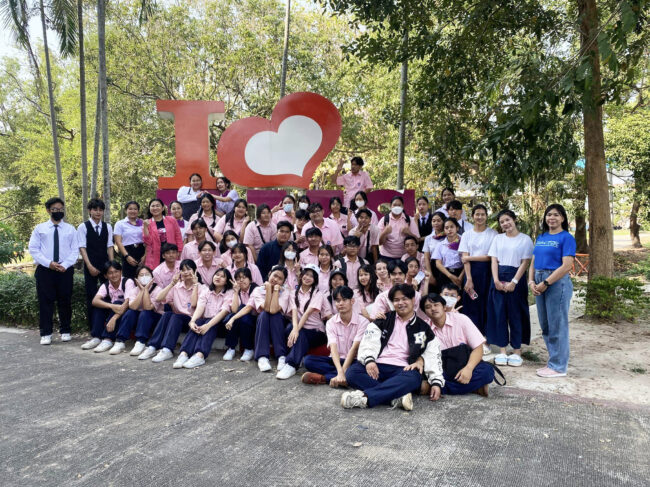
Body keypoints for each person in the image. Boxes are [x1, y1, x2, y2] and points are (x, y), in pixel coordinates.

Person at [342, 284, 444, 410]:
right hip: (378, 365)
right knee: (352, 373)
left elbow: (433, 354)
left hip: (403, 369)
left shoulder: (423, 328)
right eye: (396, 300)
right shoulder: (383, 320)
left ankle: (365, 398)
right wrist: (369, 360)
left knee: (414, 378)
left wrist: (436, 382)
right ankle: (396, 396)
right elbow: (368, 341)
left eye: (404, 299)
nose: (400, 303)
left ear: (413, 300)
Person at [529, 204, 576, 378]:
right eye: (549, 215)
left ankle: (559, 366)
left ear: (562, 218)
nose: (552, 218)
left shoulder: (566, 238)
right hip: (539, 279)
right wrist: (531, 281)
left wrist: (546, 282)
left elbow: (567, 265)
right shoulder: (541, 237)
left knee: (557, 325)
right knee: (546, 325)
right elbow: (533, 262)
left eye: (556, 215)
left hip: (556, 282)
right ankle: (553, 361)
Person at [421, 294, 495, 396]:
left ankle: (434, 388)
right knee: (422, 375)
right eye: (428, 307)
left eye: (436, 305)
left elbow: (478, 348)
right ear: (425, 312)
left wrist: (469, 369)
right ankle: (474, 388)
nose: (433, 309)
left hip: (464, 364)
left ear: (444, 307)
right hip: (442, 369)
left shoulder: (461, 319)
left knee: (487, 372)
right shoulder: (423, 328)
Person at [487, 210, 534, 368]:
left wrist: (514, 282)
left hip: (516, 279)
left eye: (507, 220)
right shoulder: (498, 239)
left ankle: (517, 351)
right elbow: (494, 260)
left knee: (516, 314)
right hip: (498, 278)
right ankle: (502, 350)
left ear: (514, 220)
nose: (505, 224)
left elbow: (525, 262)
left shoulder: (525, 239)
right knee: (499, 314)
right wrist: (495, 280)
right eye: (502, 222)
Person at [28, 197, 79, 345]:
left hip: (65, 270)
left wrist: (66, 264)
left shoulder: (70, 229)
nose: (58, 212)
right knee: (45, 301)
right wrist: (48, 263)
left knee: (65, 300)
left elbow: (75, 250)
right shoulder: (40, 229)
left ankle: (65, 331)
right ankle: (46, 333)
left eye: (61, 209)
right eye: (55, 209)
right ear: (48, 210)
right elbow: (34, 249)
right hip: (45, 270)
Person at [302, 286, 369, 386]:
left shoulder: (363, 322)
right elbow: (333, 348)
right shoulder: (331, 323)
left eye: (344, 300)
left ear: (352, 301)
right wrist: (340, 371)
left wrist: (342, 371)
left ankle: (324, 378)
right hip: (336, 360)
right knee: (308, 361)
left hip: (354, 361)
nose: (340, 303)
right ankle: (343, 377)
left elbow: (354, 349)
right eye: (337, 301)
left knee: (359, 369)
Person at [138, 259, 202, 362]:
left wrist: (195, 285)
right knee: (167, 314)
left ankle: (167, 349)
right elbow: (159, 298)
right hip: (177, 320)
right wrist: (172, 283)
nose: (186, 272)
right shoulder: (177, 287)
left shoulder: (202, 288)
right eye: (183, 270)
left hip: (192, 321)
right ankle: (152, 347)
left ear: (195, 270)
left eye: (188, 269)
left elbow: (194, 304)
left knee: (176, 316)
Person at [173, 268, 235, 368]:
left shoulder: (229, 292)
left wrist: (208, 325)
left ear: (226, 281)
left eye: (222, 276)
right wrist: (192, 321)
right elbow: (200, 307)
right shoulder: (206, 290)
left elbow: (224, 312)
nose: (218, 277)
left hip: (220, 325)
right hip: (205, 321)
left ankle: (200, 355)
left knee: (209, 323)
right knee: (198, 322)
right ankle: (184, 354)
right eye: (217, 275)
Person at [277, 265, 328, 379]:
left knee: (300, 334)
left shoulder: (318, 294)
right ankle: (294, 356)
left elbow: (307, 313)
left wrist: (297, 330)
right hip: (301, 327)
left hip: (316, 332)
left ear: (315, 280)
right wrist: (295, 329)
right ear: (301, 275)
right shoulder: (293, 292)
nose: (307, 278)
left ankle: (291, 365)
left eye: (311, 276)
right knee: (289, 329)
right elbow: (294, 311)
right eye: (306, 274)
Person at [459, 204, 497, 351]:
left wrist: (470, 258)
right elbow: (464, 258)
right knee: (470, 306)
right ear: (472, 216)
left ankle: (485, 341)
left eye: (482, 214)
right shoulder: (467, 235)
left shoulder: (492, 234)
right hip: (471, 273)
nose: (480, 217)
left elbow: (490, 257)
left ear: (486, 216)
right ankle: (471, 340)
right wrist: (468, 278)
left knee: (486, 306)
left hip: (487, 272)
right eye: (477, 214)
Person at [241, 266, 292, 372]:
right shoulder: (258, 290)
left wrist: (275, 290)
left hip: (279, 323)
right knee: (264, 314)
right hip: (262, 323)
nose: (276, 279)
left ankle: (281, 356)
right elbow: (265, 308)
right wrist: (268, 289)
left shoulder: (286, 292)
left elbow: (273, 310)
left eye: (280, 278)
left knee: (275, 315)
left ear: (283, 282)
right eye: (275, 276)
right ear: (269, 274)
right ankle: (262, 357)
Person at [109, 266, 163, 355]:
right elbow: (133, 307)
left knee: (145, 312)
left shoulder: (158, 289)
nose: (144, 277)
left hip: (154, 320)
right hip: (139, 321)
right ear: (137, 278)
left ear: (152, 277)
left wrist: (146, 289)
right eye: (141, 275)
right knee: (130, 312)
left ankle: (140, 342)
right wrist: (142, 290)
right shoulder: (134, 290)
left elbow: (148, 307)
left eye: (147, 274)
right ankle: (120, 341)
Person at [77, 198, 114, 330]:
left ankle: (108, 324)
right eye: (95, 209)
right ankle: (93, 327)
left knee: (109, 293)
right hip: (90, 265)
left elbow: (110, 246)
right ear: (89, 211)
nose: (98, 212)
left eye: (100, 210)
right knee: (91, 295)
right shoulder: (83, 227)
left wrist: (111, 265)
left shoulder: (107, 226)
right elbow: (82, 248)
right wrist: (89, 266)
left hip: (105, 265)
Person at [80, 261, 133, 352]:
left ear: (121, 272)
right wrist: (111, 306)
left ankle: (108, 339)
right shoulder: (106, 285)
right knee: (100, 306)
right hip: (115, 310)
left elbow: (127, 303)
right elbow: (94, 301)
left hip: (128, 312)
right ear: (105, 276)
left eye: (116, 271)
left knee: (117, 303)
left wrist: (114, 318)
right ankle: (97, 338)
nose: (114, 275)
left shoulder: (128, 282)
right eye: (110, 273)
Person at [222, 268, 259, 362]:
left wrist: (233, 318)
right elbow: (234, 310)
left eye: (244, 277)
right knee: (230, 318)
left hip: (255, 318)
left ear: (250, 279)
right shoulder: (237, 291)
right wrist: (235, 292)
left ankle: (248, 348)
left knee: (243, 316)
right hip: (241, 318)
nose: (241, 280)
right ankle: (231, 348)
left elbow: (249, 308)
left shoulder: (255, 289)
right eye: (238, 279)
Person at [142, 198, 183, 269]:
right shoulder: (147, 223)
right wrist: (145, 227)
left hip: (171, 253)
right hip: (154, 255)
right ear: (149, 208)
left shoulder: (171, 220)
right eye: (153, 206)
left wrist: (179, 250)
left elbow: (178, 236)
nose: (155, 208)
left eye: (157, 206)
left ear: (163, 208)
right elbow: (148, 242)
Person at [378, 196, 419, 260]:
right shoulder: (384, 220)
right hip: (386, 256)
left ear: (403, 207)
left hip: (405, 257)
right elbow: (379, 243)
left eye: (399, 205)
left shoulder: (409, 220)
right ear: (391, 206)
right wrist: (385, 232)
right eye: (394, 205)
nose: (397, 207)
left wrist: (409, 233)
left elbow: (417, 240)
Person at [114, 201, 145, 279]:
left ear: (138, 211)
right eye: (130, 209)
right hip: (127, 251)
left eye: (135, 209)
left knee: (142, 277)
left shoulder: (143, 223)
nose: (133, 211)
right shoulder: (120, 224)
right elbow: (118, 242)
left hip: (141, 251)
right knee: (128, 279)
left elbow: (148, 240)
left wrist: (145, 256)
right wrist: (127, 256)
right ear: (126, 210)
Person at [432, 217, 464, 289]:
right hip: (445, 274)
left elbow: (467, 261)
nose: (449, 229)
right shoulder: (440, 245)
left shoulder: (463, 242)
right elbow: (438, 264)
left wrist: (460, 277)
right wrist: (450, 276)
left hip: (460, 274)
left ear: (457, 228)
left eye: (452, 227)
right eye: (446, 228)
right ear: (444, 230)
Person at [422, 211, 447, 292]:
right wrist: (430, 275)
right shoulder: (428, 238)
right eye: (434, 221)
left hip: (447, 266)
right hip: (434, 268)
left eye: (439, 221)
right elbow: (426, 257)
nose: (436, 223)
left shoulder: (449, 236)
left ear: (444, 221)